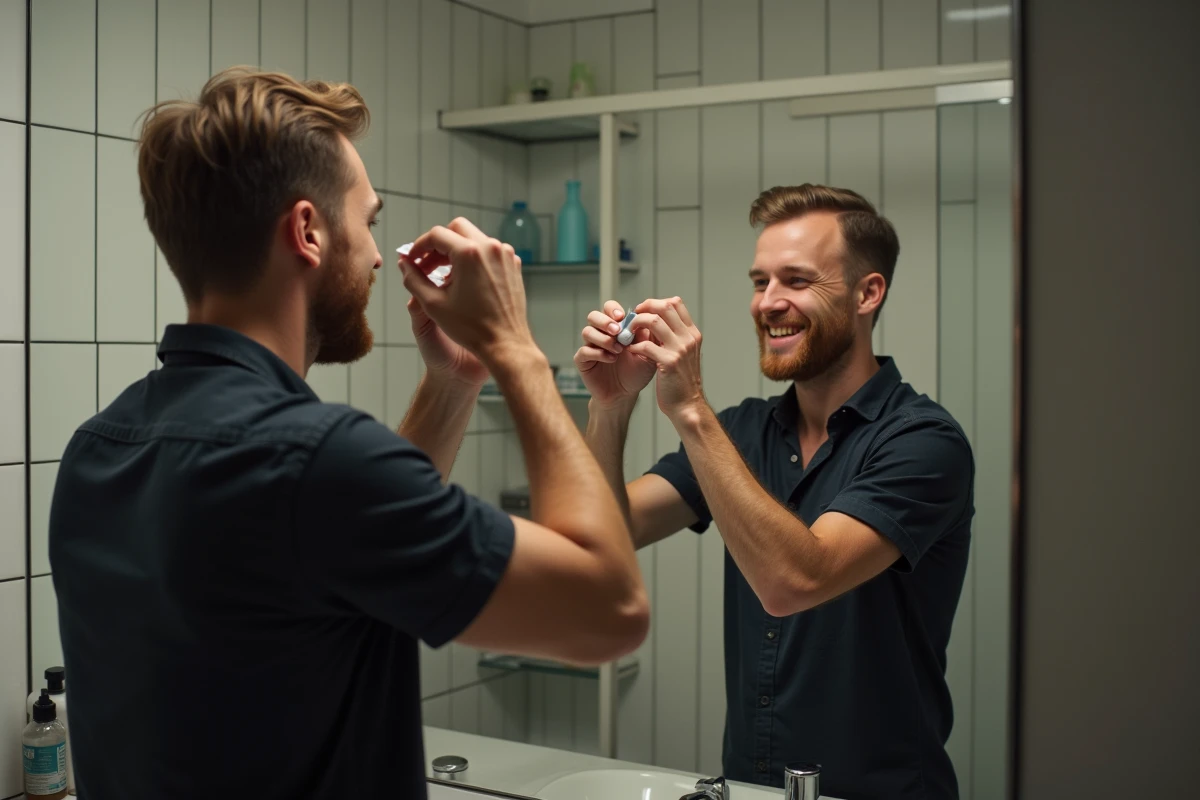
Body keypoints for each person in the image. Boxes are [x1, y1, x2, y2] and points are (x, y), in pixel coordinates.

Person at [48, 67, 648, 800]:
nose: (374, 256)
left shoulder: (98, 449)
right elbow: (611, 612)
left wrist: (455, 380)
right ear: (307, 231)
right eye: (368, 222)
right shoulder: (315, 459)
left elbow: (340, 546)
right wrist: (513, 347)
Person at [575, 184, 974, 799]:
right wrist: (611, 407)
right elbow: (602, 536)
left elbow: (795, 580)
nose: (768, 303)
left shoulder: (923, 442)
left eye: (797, 280)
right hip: (751, 788)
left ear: (867, 293)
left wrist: (690, 409)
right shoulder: (742, 431)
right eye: (760, 282)